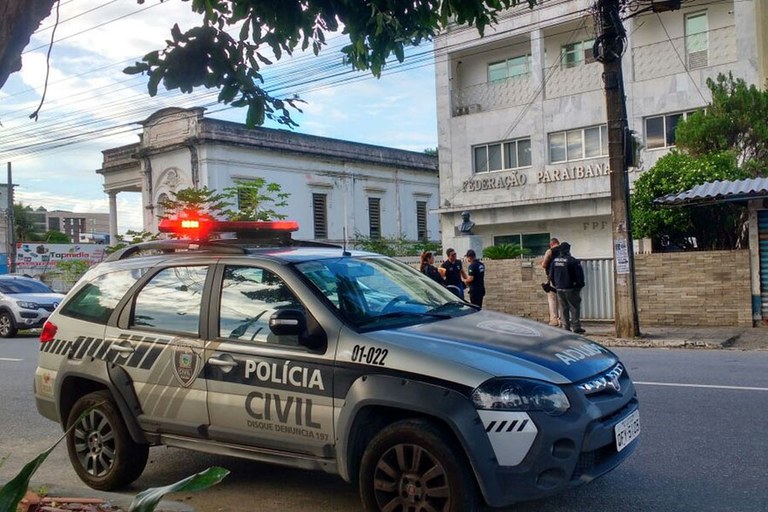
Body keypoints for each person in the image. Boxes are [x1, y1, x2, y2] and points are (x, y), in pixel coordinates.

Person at [548, 242, 586, 334]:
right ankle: (576, 327)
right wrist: (580, 285)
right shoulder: (573, 261)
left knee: (563, 308)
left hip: (559, 288)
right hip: (571, 288)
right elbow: (579, 275)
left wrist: (556, 284)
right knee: (574, 307)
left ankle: (566, 327)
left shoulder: (555, 261)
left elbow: (551, 275)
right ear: (568, 250)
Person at [541, 238, 561, 326]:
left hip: (553, 279)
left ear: (551, 244)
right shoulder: (565, 251)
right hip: (564, 280)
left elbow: (544, 264)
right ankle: (562, 320)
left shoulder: (550, 251)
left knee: (552, 299)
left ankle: (554, 320)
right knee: (562, 300)